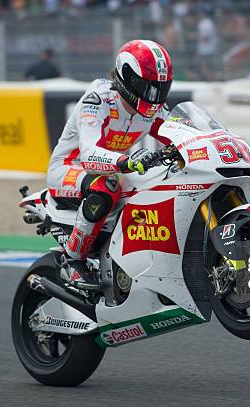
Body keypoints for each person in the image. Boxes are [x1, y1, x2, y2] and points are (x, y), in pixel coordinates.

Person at [46, 39, 173, 290]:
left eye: (161, 88)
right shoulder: (98, 100)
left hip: (114, 170)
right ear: (128, 79)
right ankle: (74, 260)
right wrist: (126, 161)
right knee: (108, 187)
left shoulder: (153, 111)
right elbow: (90, 154)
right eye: (149, 87)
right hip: (69, 168)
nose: (155, 96)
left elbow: (180, 132)